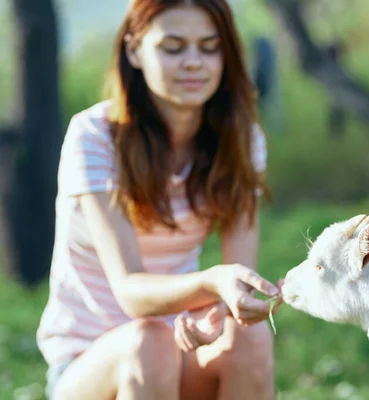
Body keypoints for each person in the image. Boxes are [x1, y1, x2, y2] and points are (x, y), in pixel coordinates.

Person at [35, 0, 283, 399]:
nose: (193, 62)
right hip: (87, 364)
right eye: (173, 47)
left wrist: (221, 310)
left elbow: (236, 283)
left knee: (250, 339)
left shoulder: (241, 139)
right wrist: (212, 284)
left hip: (181, 347)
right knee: (147, 341)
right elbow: (130, 291)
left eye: (209, 47)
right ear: (134, 50)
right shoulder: (95, 135)